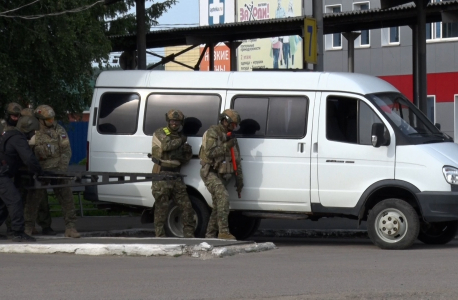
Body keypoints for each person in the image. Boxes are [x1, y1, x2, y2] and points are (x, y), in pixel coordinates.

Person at [24, 105, 80, 238]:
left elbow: (66, 150)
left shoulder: (58, 129)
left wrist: (61, 168)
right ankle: (28, 227)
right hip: (40, 172)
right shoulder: (33, 132)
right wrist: (34, 169)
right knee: (33, 200)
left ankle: (70, 228)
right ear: (40, 120)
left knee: (67, 199)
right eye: (48, 120)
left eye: (52, 119)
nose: (51, 121)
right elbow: (27, 153)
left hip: (58, 170)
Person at [150, 109, 195, 238]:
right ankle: (160, 236)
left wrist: (187, 151)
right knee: (161, 208)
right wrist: (181, 141)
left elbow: (185, 159)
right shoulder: (161, 132)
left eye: (177, 121)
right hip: (161, 175)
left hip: (175, 176)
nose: (174, 123)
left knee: (186, 207)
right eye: (172, 121)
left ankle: (189, 236)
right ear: (168, 121)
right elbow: (166, 146)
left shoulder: (180, 137)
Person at [199, 109, 243, 240]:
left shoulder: (231, 137)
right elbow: (210, 153)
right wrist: (226, 145)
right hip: (210, 171)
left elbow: (237, 159)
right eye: (233, 124)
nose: (235, 127)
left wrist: (239, 179)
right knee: (223, 197)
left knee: (218, 205)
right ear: (225, 121)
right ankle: (223, 232)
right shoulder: (213, 132)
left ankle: (210, 235)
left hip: (223, 174)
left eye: (236, 125)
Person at [0, 115, 43, 242]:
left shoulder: (11, 135)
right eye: (33, 131)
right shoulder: (18, 139)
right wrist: (39, 171)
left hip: (3, 173)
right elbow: (29, 158)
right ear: (27, 129)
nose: (34, 134)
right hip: (1, 175)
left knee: (3, 204)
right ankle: (18, 232)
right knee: (15, 200)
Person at [21, 107, 54, 235]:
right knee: (22, 200)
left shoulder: (39, 132)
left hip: (37, 169)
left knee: (41, 199)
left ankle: (45, 225)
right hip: (22, 171)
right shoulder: (16, 132)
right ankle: (24, 226)